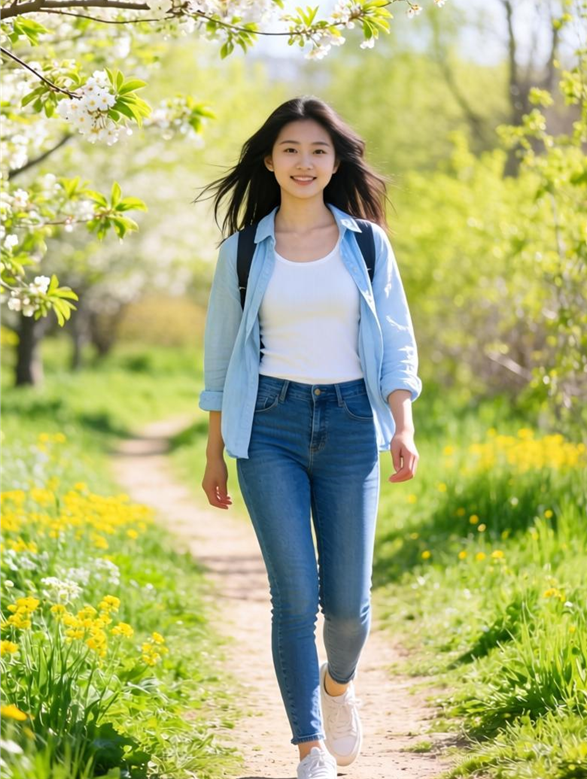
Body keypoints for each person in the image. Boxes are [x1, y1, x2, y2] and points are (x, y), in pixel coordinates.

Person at [196, 96, 421, 779]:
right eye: (290, 149)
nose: (304, 162)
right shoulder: (241, 251)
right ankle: (309, 745)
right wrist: (215, 448)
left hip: (354, 423)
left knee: (348, 606)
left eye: (318, 150)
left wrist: (403, 422)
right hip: (269, 426)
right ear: (269, 160)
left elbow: (396, 343)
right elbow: (219, 355)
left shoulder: (365, 242)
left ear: (335, 162)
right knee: (294, 594)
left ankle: (338, 686)